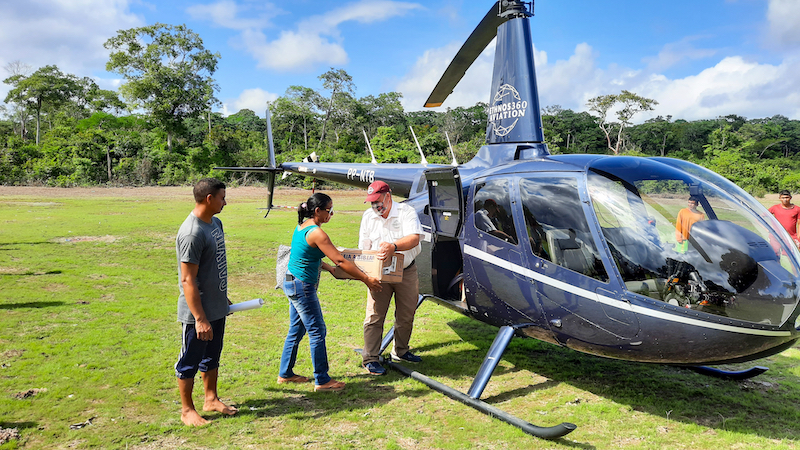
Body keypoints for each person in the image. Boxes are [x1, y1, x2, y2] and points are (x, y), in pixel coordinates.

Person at [280, 193, 382, 392]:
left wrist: (329, 270)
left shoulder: (302, 226)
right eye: (329, 210)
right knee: (317, 331)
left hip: (291, 281)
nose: (331, 214)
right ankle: (322, 380)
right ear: (317, 211)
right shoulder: (317, 233)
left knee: (297, 329)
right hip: (302, 286)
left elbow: (309, 255)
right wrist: (366, 279)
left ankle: (285, 374)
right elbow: (341, 261)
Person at [174, 178, 237, 426]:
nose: (225, 201)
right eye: (222, 197)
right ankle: (187, 410)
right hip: (196, 314)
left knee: (212, 355)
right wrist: (199, 318)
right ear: (209, 199)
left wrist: (220, 297)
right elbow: (188, 280)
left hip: (216, 307)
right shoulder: (192, 233)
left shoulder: (215, 223)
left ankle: (211, 399)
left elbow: (213, 267)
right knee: (190, 359)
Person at [359, 180, 424, 376]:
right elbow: (364, 247)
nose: (375, 206)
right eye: (371, 202)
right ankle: (370, 358)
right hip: (378, 273)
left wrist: (393, 247)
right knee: (374, 316)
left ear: (388, 196)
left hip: (406, 270)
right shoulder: (368, 217)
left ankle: (400, 351)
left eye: (377, 201)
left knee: (406, 314)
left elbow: (415, 238)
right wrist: (368, 274)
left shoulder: (406, 211)